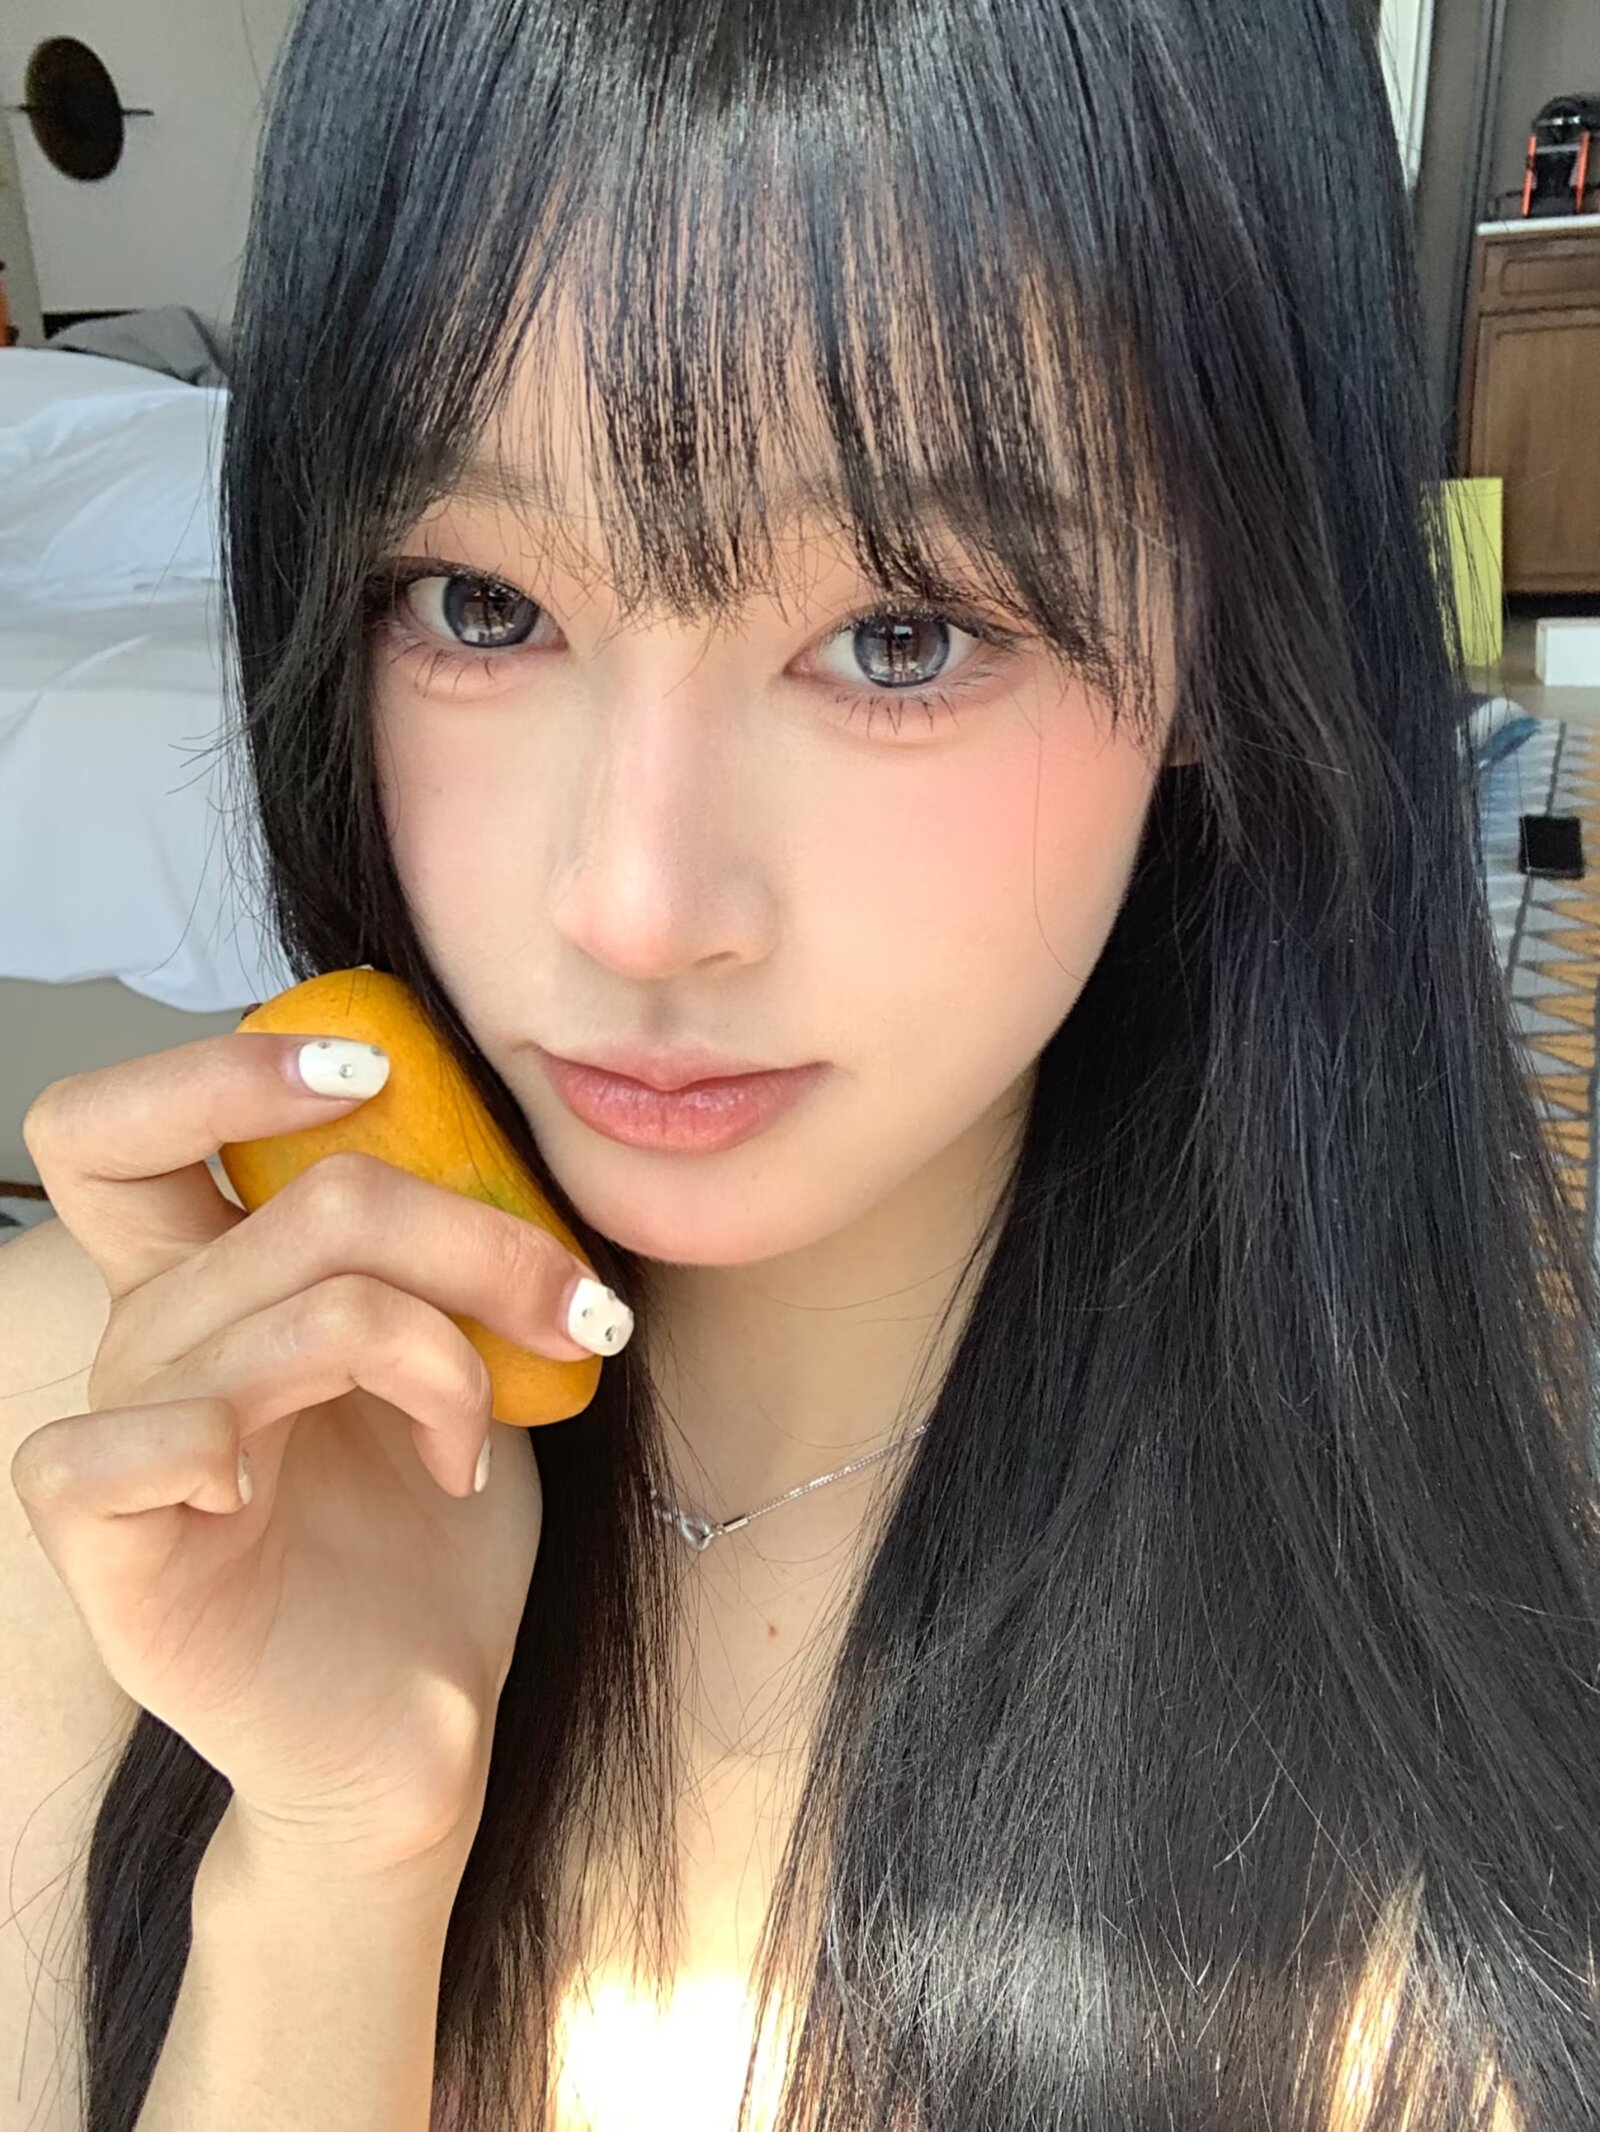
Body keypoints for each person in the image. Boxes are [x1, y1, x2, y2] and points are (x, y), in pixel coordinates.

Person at [4, 0, 1599, 2126]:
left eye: (899, 634)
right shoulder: (90, 1437)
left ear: (1230, 628)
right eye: (478, 604)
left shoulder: (1481, 1749)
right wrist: (328, 1869)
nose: (635, 905)